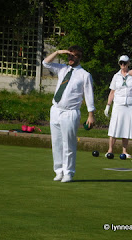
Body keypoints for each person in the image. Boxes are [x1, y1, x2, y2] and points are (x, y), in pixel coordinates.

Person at [42, 46, 95, 182]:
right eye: (69, 56)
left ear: (80, 57)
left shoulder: (84, 75)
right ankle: (58, 170)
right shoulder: (62, 69)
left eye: (74, 56)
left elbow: (89, 96)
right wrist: (58, 52)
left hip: (70, 112)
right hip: (56, 110)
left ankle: (68, 172)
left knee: (69, 144)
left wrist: (91, 114)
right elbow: (45, 63)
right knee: (56, 143)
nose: (70, 58)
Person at [104, 55, 132, 159]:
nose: (123, 65)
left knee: (127, 127)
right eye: (121, 63)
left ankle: (124, 151)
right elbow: (112, 92)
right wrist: (108, 105)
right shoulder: (116, 76)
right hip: (118, 104)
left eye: (125, 63)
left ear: (129, 63)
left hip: (130, 105)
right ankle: (110, 150)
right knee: (114, 127)